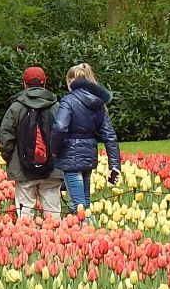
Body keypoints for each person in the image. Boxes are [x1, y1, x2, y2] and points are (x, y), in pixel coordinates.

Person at [50, 63, 121, 217]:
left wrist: (54, 151)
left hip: (70, 156)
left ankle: (87, 235)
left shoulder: (68, 101)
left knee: (79, 206)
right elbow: (110, 136)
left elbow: (60, 127)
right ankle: (91, 234)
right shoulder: (98, 103)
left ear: (71, 81)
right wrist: (114, 166)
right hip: (89, 155)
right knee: (85, 204)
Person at [0, 67, 62, 219]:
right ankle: (53, 241)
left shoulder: (16, 107)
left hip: (23, 169)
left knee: (25, 213)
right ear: (44, 83)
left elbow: (5, 136)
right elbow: (64, 134)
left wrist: (11, 158)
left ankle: (26, 241)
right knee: (53, 214)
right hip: (52, 169)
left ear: (24, 84)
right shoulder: (56, 106)